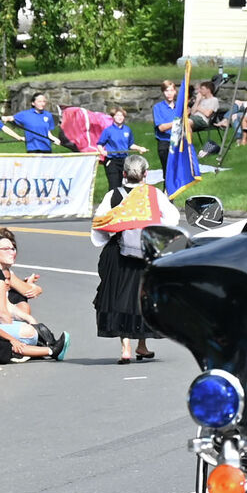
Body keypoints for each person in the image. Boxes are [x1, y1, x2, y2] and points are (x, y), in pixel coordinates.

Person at [92, 154, 158, 363]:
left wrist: (108, 239)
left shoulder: (113, 195)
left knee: (120, 297)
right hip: (145, 251)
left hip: (119, 252)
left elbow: (99, 223)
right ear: (145, 174)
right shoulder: (153, 195)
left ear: (124, 174)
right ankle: (142, 344)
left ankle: (126, 347)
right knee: (142, 297)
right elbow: (171, 218)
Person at [0, 226, 63, 356]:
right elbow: (1, 314)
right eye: (6, 249)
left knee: (29, 325)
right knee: (29, 334)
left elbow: (7, 305)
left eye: (13, 248)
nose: (12, 252)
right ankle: (45, 349)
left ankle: (48, 345)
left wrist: (29, 319)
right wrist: (15, 333)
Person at [98, 105, 147, 194]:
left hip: (124, 160)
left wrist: (139, 148)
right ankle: (112, 204)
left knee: (126, 184)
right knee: (114, 185)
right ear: (113, 117)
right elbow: (100, 144)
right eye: (117, 115)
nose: (119, 118)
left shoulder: (127, 130)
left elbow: (130, 145)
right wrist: (102, 151)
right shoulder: (108, 130)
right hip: (112, 161)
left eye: (121, 116)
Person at [149, 80, 183, 162]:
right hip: (165, 142)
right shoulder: (158, 107)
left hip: (179, 141)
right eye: (166, 91)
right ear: (163, 92)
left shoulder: (180, 107)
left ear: (175, 91)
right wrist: (178, 122)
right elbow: (161, 127)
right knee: (167, 170)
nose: (169, 93)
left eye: (171, 90)